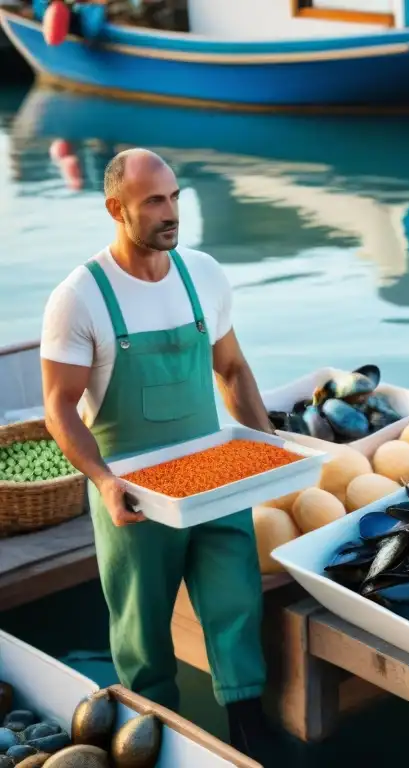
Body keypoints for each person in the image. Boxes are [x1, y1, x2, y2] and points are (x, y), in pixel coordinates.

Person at [40, 148, 272, 760]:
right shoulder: (80, 297)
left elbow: (233, 370)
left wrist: (271, 449)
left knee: (237, 607)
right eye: (154, 202)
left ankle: (250, 739)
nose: (171, 213)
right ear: (116, 209)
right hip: (134, 495)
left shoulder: (203, 274)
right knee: (142, 636)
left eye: (174, 197)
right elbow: (59, 409)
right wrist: (103, 481)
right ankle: (156, 746)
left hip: (215, 483)